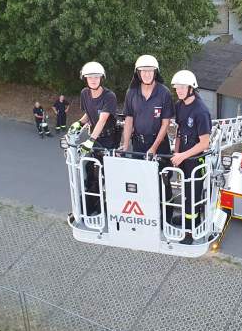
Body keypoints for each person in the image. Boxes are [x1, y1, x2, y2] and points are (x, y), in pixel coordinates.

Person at [68, 62, 118, 216]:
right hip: (94, 140)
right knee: (90, 173)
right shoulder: (85, 93)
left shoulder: (109, 96)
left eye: (96, 77)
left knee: (107, 175)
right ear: (85, 79)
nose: (93, 80)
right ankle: (90, 207)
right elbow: (89, 115)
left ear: (101, 78)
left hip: (109, 140)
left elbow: (102, 120)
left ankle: (110, 208)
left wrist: (89, 141)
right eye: (90, 77)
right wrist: (79, 123)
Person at [170, 70, 212, 245]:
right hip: (183, 157)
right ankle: (188, 220)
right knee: (185, 192)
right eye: (177, 88)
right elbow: (179, 132)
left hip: (196, 160)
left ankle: (190, 231)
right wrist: (176, 153)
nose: (179, 91)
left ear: (191, 88)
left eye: (182, 87)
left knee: (192, 195)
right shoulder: (180, 106)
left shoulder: (201, 111)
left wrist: (183, 156)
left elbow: (204, 144)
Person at [119, 55, 174, 158]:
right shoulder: (131, 92)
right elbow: (129, 120)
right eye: (143, 71)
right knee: (139, 173)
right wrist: (125, 144)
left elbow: (165, 124)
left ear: (155, 72)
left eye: (150, 71)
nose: (147, 74)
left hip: (159, 146)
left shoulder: (164, 93)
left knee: (160, 174)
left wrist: (154, 148)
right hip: (138, 145)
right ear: (138, 73)